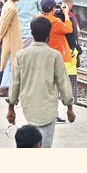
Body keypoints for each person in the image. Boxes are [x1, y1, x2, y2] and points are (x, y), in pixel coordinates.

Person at [6, 16, 75, 148]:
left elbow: (15, 83)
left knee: (28, 145)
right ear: (49, 34)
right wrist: (69, 107)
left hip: (27, 108)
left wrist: (11, 108)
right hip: (48, 109)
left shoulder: (21, 55)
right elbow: (63, 82)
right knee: (45, 145)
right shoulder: (54, 55)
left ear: (32, 33)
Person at [0, 0, 22, 98]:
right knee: (10, 62)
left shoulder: (8, 5)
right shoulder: (11, 8)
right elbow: (4, 23)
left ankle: (4, 85)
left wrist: (0, 36)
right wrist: (0, 37)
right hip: (11, 39)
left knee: (8, 62)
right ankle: (4, 86)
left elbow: (1, 23)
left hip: (9, 37)